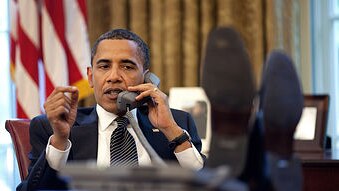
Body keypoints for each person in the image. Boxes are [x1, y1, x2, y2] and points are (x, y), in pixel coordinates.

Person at [17, 29, 205, 191]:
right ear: (91, 77)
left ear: (147, 78)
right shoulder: (53, 128)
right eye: (104, 66)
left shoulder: (177, 124)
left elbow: (211, 185)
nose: (113, 76)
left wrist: (171, 130)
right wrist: (59, 140)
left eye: (127, 66)